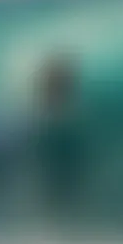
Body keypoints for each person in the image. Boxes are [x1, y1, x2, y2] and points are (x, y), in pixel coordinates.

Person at [34, 54, 84, 214]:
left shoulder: (56, 79)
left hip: (58, 126)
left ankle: (59, 204)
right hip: (58, 125)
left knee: (60, 170)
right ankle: (60, 205)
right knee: (58, 171)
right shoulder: (56, 79)